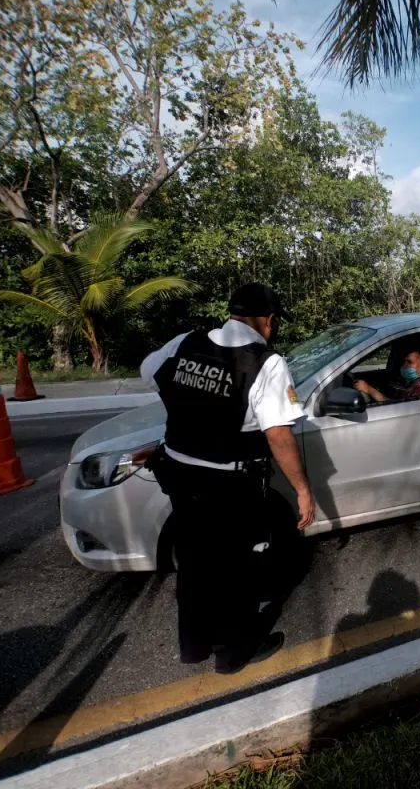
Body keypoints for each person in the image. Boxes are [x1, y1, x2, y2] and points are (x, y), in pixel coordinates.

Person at [139, 283, 315, 675]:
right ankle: (235, 654)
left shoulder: (186, 342)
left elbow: (148, 375)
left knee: (194, 564)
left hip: (181, 478)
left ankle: (195, 645)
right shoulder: (265, 363)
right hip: (230, 488)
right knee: (238, 569)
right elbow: (278, 434)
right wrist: (303, 490)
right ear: (268, 321)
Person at [354, 346, 420, 403]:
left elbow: (399, 409)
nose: (405, 365)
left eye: (410, 362)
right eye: (404, 361)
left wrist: (369, 390)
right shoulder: (406, 381)